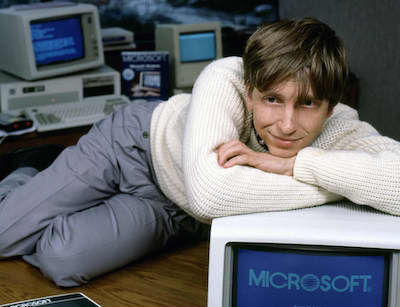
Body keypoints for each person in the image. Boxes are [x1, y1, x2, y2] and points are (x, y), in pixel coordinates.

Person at [1, 18, 399, 287]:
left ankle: (37, 195)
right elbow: (213, 195)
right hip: (133, 146)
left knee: (62, 262)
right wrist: (339, 183)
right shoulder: (224, 76)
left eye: (308, 104)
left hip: (179, 211)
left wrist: (299, 164)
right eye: (272, 99)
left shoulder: (340, 124)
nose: (287, 124)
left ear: (330, 107)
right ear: (249, 91)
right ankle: (29, 172)